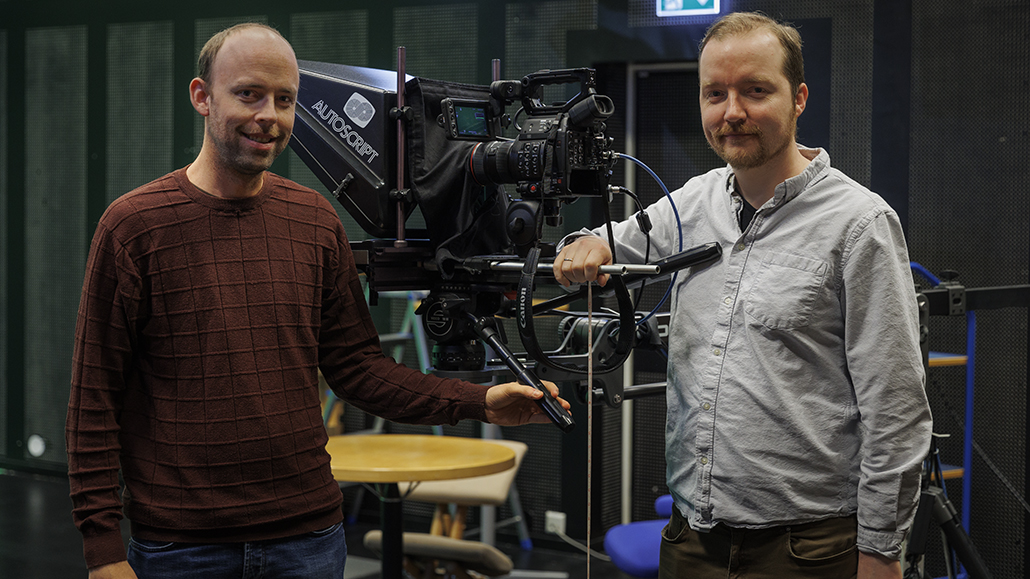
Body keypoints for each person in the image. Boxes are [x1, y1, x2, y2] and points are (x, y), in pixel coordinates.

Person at [67, 22, 569, 579]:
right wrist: (104, 552)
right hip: (182, 548)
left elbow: (358, 368)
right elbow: (94, 401)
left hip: (307, 540)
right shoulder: (134, 226)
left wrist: (478, 402)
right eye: (249, 94)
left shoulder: (312, 218)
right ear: (202, 97)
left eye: (285, 100)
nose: (270, 116)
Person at [554, 11, 931, 579]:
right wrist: (583, 243)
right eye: (715, 94)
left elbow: (896, 409)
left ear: (798, 97)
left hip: (809, 549)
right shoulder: (694, 202)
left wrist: (880, 552)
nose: (732, 113)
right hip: (692, 538)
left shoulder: (860, 223)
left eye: (756, 91)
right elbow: (608, 246)